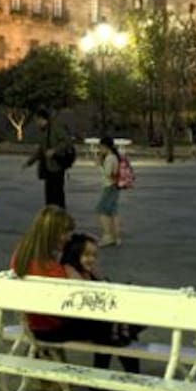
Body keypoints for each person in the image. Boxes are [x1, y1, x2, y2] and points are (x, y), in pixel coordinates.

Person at [59, 231, 141, 373]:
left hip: (92, 321)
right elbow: (85, 299)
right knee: (120, 332)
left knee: (115, 333)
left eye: (94, 255)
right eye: (86, 255)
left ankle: (103, 371)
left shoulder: (86, 271)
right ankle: (132, 374)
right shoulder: (71, 273)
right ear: (74, 254)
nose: (91, 259)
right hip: (78, 323)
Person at [9, 205, 80, 340]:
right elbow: (73, 297)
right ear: (51, 233)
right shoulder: (46, 265)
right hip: (51, 326)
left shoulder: (22, 254)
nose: (68, 238)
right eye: (65, 233)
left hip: (31, 322)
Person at [24, 108, 75, 209]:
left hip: (57, 165)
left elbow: (67, 141)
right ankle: (51, 212)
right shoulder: (44, 131)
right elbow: (40, 150)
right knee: (49, 194)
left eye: (36, 120)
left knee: (57, 193)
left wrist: (54, 150)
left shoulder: (56, 128)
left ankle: (59, 213)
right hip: (48, 167)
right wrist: (29, 162)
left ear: (41, 119)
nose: (36, 123)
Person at [95, 136, 123, 247]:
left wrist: (99, 165)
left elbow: (107, 173)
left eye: (100, 147)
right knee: (113, 211)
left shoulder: (110, 158)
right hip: (114, 186)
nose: (100, 150)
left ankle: (107, 236)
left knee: (101, 209)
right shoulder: (115, 156)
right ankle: (116, 236)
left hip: (109, 186)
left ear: (105, 146)